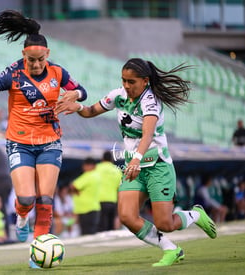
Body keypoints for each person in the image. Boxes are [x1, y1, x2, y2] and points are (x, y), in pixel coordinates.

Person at [0, 9, 87, 255]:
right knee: (26, 199)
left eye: (40, 59)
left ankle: (38, 251)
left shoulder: (58, 73)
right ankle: (21, 217)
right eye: (30, 60)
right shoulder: (12, 74)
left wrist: (75, 94)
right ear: (23, 54)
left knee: (45, 200)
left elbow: (82, 91)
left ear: (48, 54)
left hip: (50, 143)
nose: (35, 64)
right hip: (19, 143)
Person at [56, 58, 217, 267]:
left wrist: (136, 160)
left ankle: (196, 214)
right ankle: (171, 249)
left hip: (157, 166)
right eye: (123, 80)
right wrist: (77, 106)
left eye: (131, 82)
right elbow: (91, 111)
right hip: (135, 167)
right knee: (127, 216)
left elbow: (147, 135)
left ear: (145, 81)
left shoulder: (151, 102)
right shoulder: (118, 96)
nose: (126, 85)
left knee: (165, 223)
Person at [70, 157, 101, 235]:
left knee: (86, 234)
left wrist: (76, 192)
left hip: (85, 209)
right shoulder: (97, 175)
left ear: (89, 166)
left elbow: (73, 186)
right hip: (94, 207)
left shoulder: (88, 175)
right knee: (92, 233)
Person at [96, 150, 122, 232]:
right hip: (112, 201)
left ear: (102, 159)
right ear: (111, 160)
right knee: (110, 228)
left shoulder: (97, 168)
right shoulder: (117, 171)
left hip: (99, 200)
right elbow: (120, 188)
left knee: (101, 226)